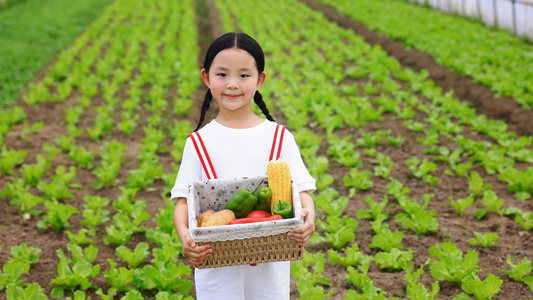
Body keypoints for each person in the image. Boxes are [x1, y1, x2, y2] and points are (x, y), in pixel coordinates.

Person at [171, 32, 316, 300]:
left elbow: (302, 192)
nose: (232, 84)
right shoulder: (199, 142)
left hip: (270, 262)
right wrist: (186, 240)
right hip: (216, 263)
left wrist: (308, 220)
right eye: (222, 74)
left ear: (260, 79)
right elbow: (183, 202)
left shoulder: (279, 137)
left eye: (244, 75)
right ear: (206, 77)